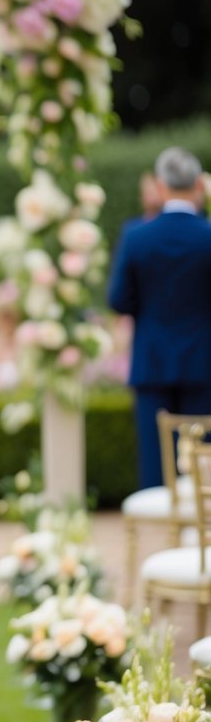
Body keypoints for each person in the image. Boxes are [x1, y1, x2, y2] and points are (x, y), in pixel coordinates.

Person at [108, 146, 211, 488]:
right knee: (203, 463)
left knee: (156, 464)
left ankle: (164, 535)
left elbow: (118, 300)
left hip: (152, 361)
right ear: (198, 184)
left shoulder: (137, 236)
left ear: (160, 186)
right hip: (204, 361)